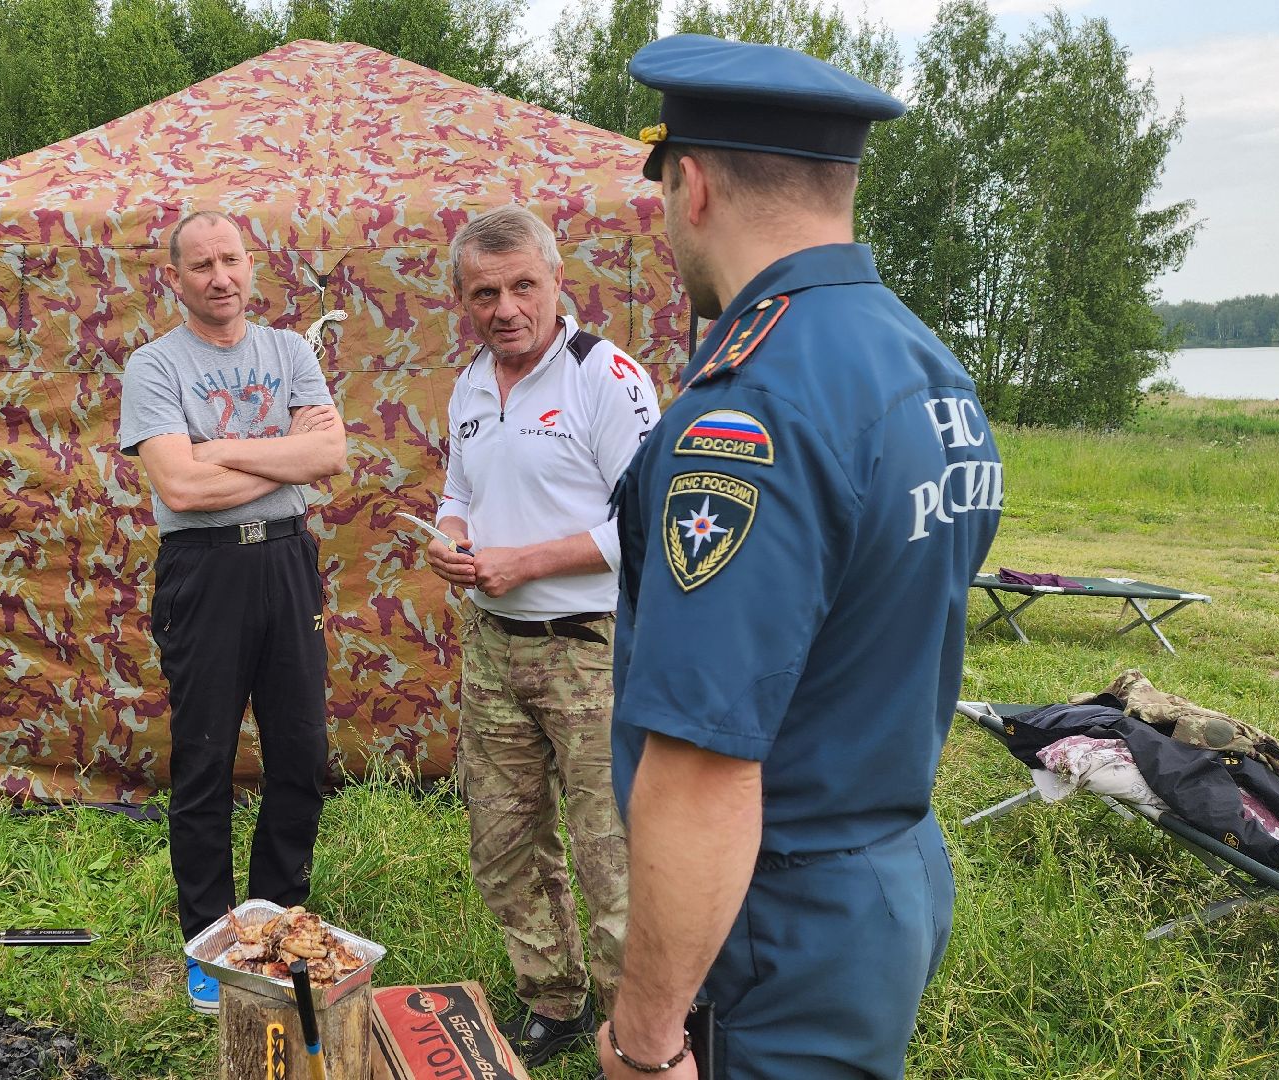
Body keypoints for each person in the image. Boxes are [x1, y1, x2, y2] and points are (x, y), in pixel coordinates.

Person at [597, 36, 1004, 1079]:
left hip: (773, 917)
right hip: (887, 878)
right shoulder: (925, 366)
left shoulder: (748, 412)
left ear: (689, 184)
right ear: (840, 182)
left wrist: (644, 1045)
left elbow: (704, 768)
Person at [425, 204, 659, 1068]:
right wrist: (453, 535)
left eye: (523, 285)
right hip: (493, 648)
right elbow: (459, 489)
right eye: (484, 292)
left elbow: (643, 527)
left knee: (611, 859)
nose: (505, 308)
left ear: (558, 282)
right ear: (462, 300)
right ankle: (552, 1000)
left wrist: (523, 562)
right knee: (502, 841)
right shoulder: (471, 384)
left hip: (590, 648)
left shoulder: (606, 377)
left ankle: (634, 1026)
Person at [117, 209, 348, 1014]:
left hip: (287, 563)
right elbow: (179, 487)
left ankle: (282, 926)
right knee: (204, 759)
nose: (220, 277)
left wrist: (217, 448)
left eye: (232, 260)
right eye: (202, 265)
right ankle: (208, 946)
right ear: (174, 278)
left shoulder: (289, 352)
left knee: (299, 752)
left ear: (253, 268)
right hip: (201, 571)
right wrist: (277, 457)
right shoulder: (153, 367)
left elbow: (328, 456)